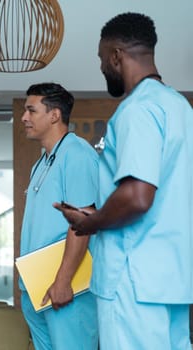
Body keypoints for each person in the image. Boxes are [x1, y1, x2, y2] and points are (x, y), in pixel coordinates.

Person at [54, 12, 193, 350]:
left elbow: (137, 196)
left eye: (102, 59)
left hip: (132, 279)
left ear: (116, 56)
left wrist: (91, 223)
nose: (102, 68)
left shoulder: (137, 110)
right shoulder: (180, 108)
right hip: (172, 278)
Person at [19, 83, 99, 350]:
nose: (24, 118)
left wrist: (63, 281)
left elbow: (83, 225)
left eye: (31, 110)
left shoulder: (77, 155)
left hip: (67, 287)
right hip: (36, 286)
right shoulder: (40, 163)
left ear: (54, 115)